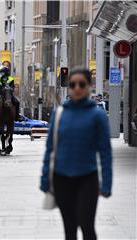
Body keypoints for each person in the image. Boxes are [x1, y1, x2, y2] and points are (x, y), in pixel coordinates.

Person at [40, 69, 112, 240]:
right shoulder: (59, 114)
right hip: (61, 178)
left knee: (86, 225)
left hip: (88, 178)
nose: (77, 88)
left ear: (89, 86)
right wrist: (44, 178)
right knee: (69, 228)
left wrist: (106, 184)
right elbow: (50, 149)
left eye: (82, 84)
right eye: (73, 84)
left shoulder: (97, 115)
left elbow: (105, 152)